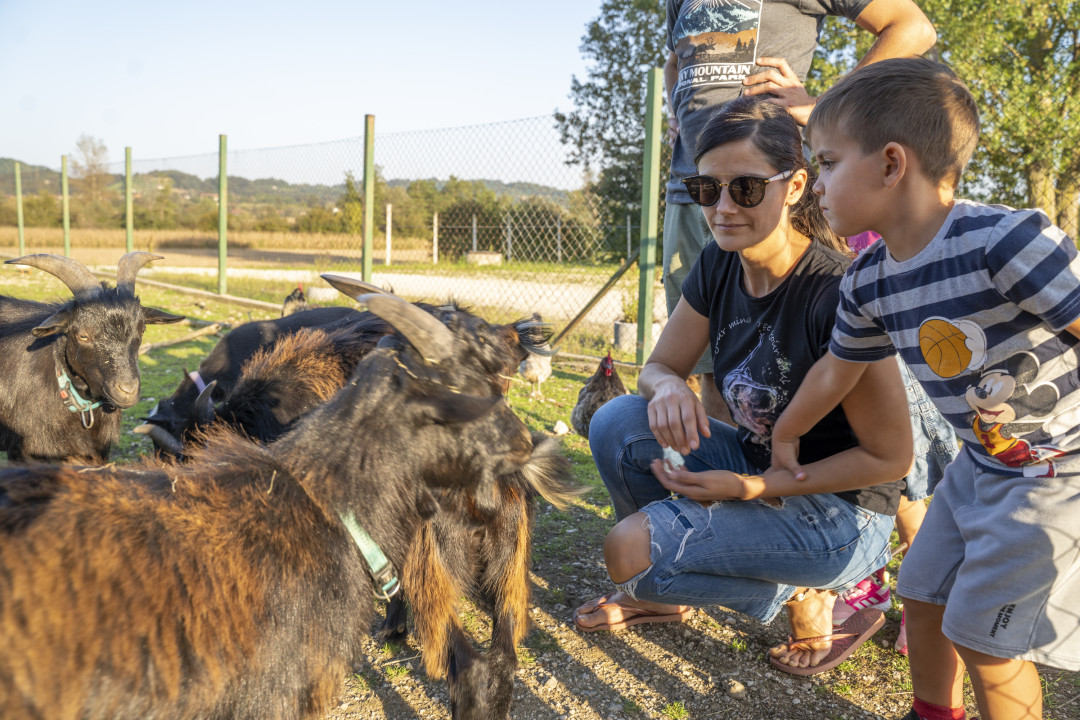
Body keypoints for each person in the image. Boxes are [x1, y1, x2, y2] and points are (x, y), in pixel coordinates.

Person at [772, 57, 1080, 720]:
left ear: (890, 163)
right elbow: (837, 369)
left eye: (826, 163)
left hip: (1058, 470)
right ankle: (934, 713)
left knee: (989, 640)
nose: (814, 186)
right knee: (924, 590)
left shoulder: (1006, 241)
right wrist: (788, 429)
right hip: (981, 462)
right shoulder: (868, 279)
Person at [573, 95, 914, 677]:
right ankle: (669, 586)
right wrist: (669, 389)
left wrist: (752, 487)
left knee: (629, 551)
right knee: (618, 421)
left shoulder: (834, 294)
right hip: (762, 470)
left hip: (837, 513)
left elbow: (889, 461)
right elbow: (658, 367)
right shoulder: (719, 261)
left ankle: (807, 591)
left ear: (798, 185)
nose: (723, 207)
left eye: (747, 189)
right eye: (707, 189)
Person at [662, 0, 937, 420]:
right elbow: (674, 59)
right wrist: (676, 110)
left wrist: (827, 106)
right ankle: (730, 480)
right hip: (691, 189)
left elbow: (912, 27)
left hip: (764, 188)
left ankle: (794, 477)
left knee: (791, 364)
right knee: (711, 368)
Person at [831, 231, 962, 658]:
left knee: (906, 492)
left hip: (899, 375)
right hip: (848, 364)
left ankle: (922, 598)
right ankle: (870, 584)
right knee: (861, 485)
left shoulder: (884, 233)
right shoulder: (830, 213)